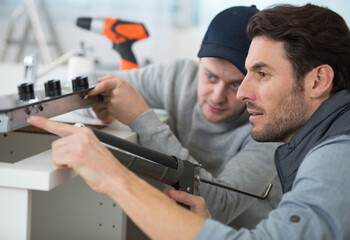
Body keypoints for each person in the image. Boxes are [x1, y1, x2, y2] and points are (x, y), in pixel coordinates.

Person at [29, 3, 350, 239]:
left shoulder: (344, 154)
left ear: (318, 82)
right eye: (212, 77)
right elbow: (100, 87)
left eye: (260, 74)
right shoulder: (321, 136)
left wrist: (113, 176)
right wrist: (99, 105)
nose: (240, 93)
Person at [85, 5, 281, 229]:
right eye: (210, 76)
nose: (217, 97)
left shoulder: (270, 126)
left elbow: (216, 211)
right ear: (199, 56)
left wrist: (141, 118)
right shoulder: (178, 76)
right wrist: (100, 106)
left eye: (235, 84)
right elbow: (92, 86)